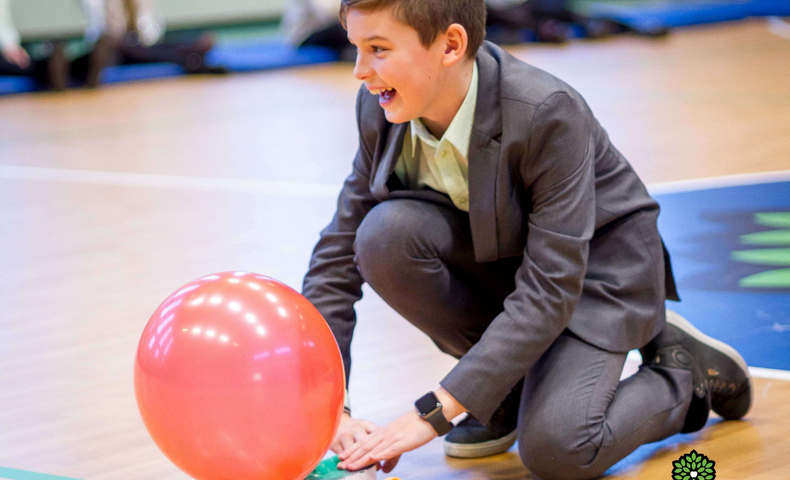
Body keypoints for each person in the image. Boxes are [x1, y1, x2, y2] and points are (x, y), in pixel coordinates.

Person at [300, 1, 752, 479]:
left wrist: (433, 411)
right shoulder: (379, 103)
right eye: (356, 48)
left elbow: (552, 287)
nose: (359, 71)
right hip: (513, 267)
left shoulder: (545, 111)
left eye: (378, 49)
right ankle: (503, 394)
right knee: (383, 237)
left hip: (597, 279)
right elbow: (337, 258)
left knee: (559, 449)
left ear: (451, 45)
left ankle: (685, 374)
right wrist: (331, 408)